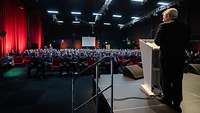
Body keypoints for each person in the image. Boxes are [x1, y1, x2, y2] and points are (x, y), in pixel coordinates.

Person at [154, 8, 190, 112]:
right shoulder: (185, 26)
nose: (163, 18)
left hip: (167, 58)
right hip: (180, 58)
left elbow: (157, 42)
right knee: (178, 80)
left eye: (164, 16)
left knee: (165, 79)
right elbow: (187, 42)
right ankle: (177, 103)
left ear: (169, 16)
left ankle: (167, 99)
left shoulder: (163, 26)